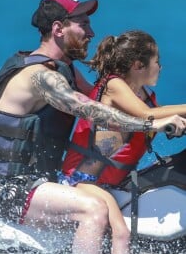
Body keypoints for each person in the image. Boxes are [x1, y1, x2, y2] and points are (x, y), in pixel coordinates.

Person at [0, 0, 186, 254]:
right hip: (5, 188)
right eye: (83, 24)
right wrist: (151, 122)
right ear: (59, 29)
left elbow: (107, 100)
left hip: (42, 185)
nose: (91, 32)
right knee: (94, 209)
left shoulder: (66, 71)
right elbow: (92, 110)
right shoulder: (40, 77)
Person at [60, 30, 186, 188]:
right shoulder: (114, 85)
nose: (160, 67)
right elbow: (147, 115)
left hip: (110, 184)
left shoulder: (145, 95)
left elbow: (164, 116)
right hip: (82, 180)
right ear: (139, 65)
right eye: (156, 62)